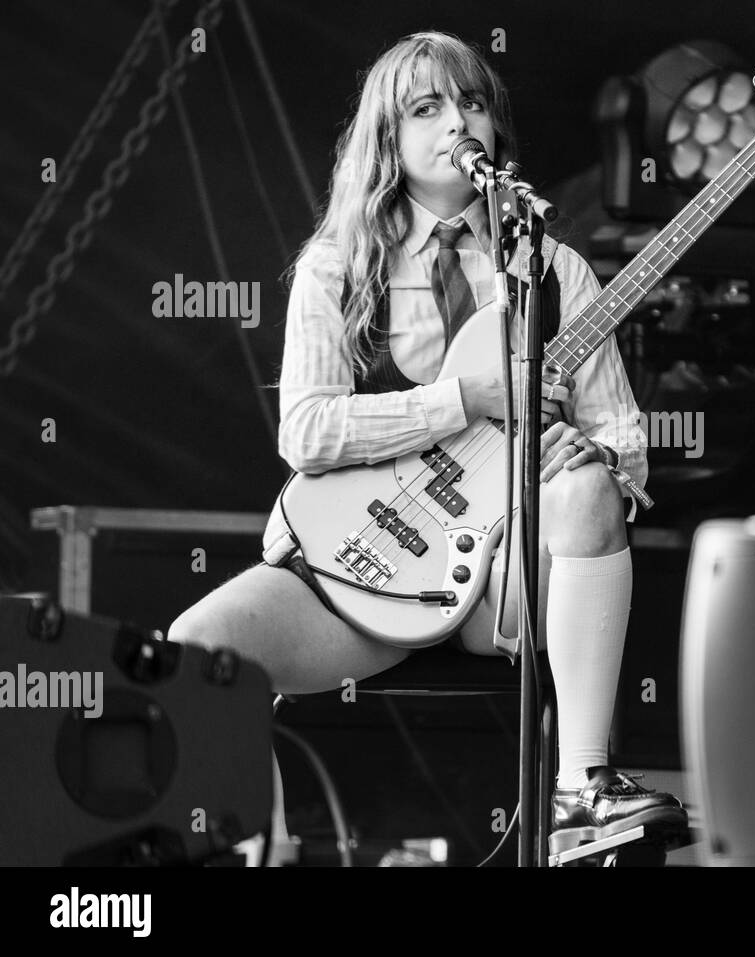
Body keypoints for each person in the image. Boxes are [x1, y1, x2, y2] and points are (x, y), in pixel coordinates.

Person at [167, 30, 688, 858]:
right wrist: (462, 401)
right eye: (427, 106)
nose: (457, 121)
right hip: (357, 569)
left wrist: (588, 460)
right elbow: (306, 431)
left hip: (501, 583)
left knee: (590, 490)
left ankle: (582, 788)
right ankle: (254, 849)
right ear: (389, 139)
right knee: (196, 652)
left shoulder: (553, 273)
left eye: (473, 102)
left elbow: (626, 442)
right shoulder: (337, 266)